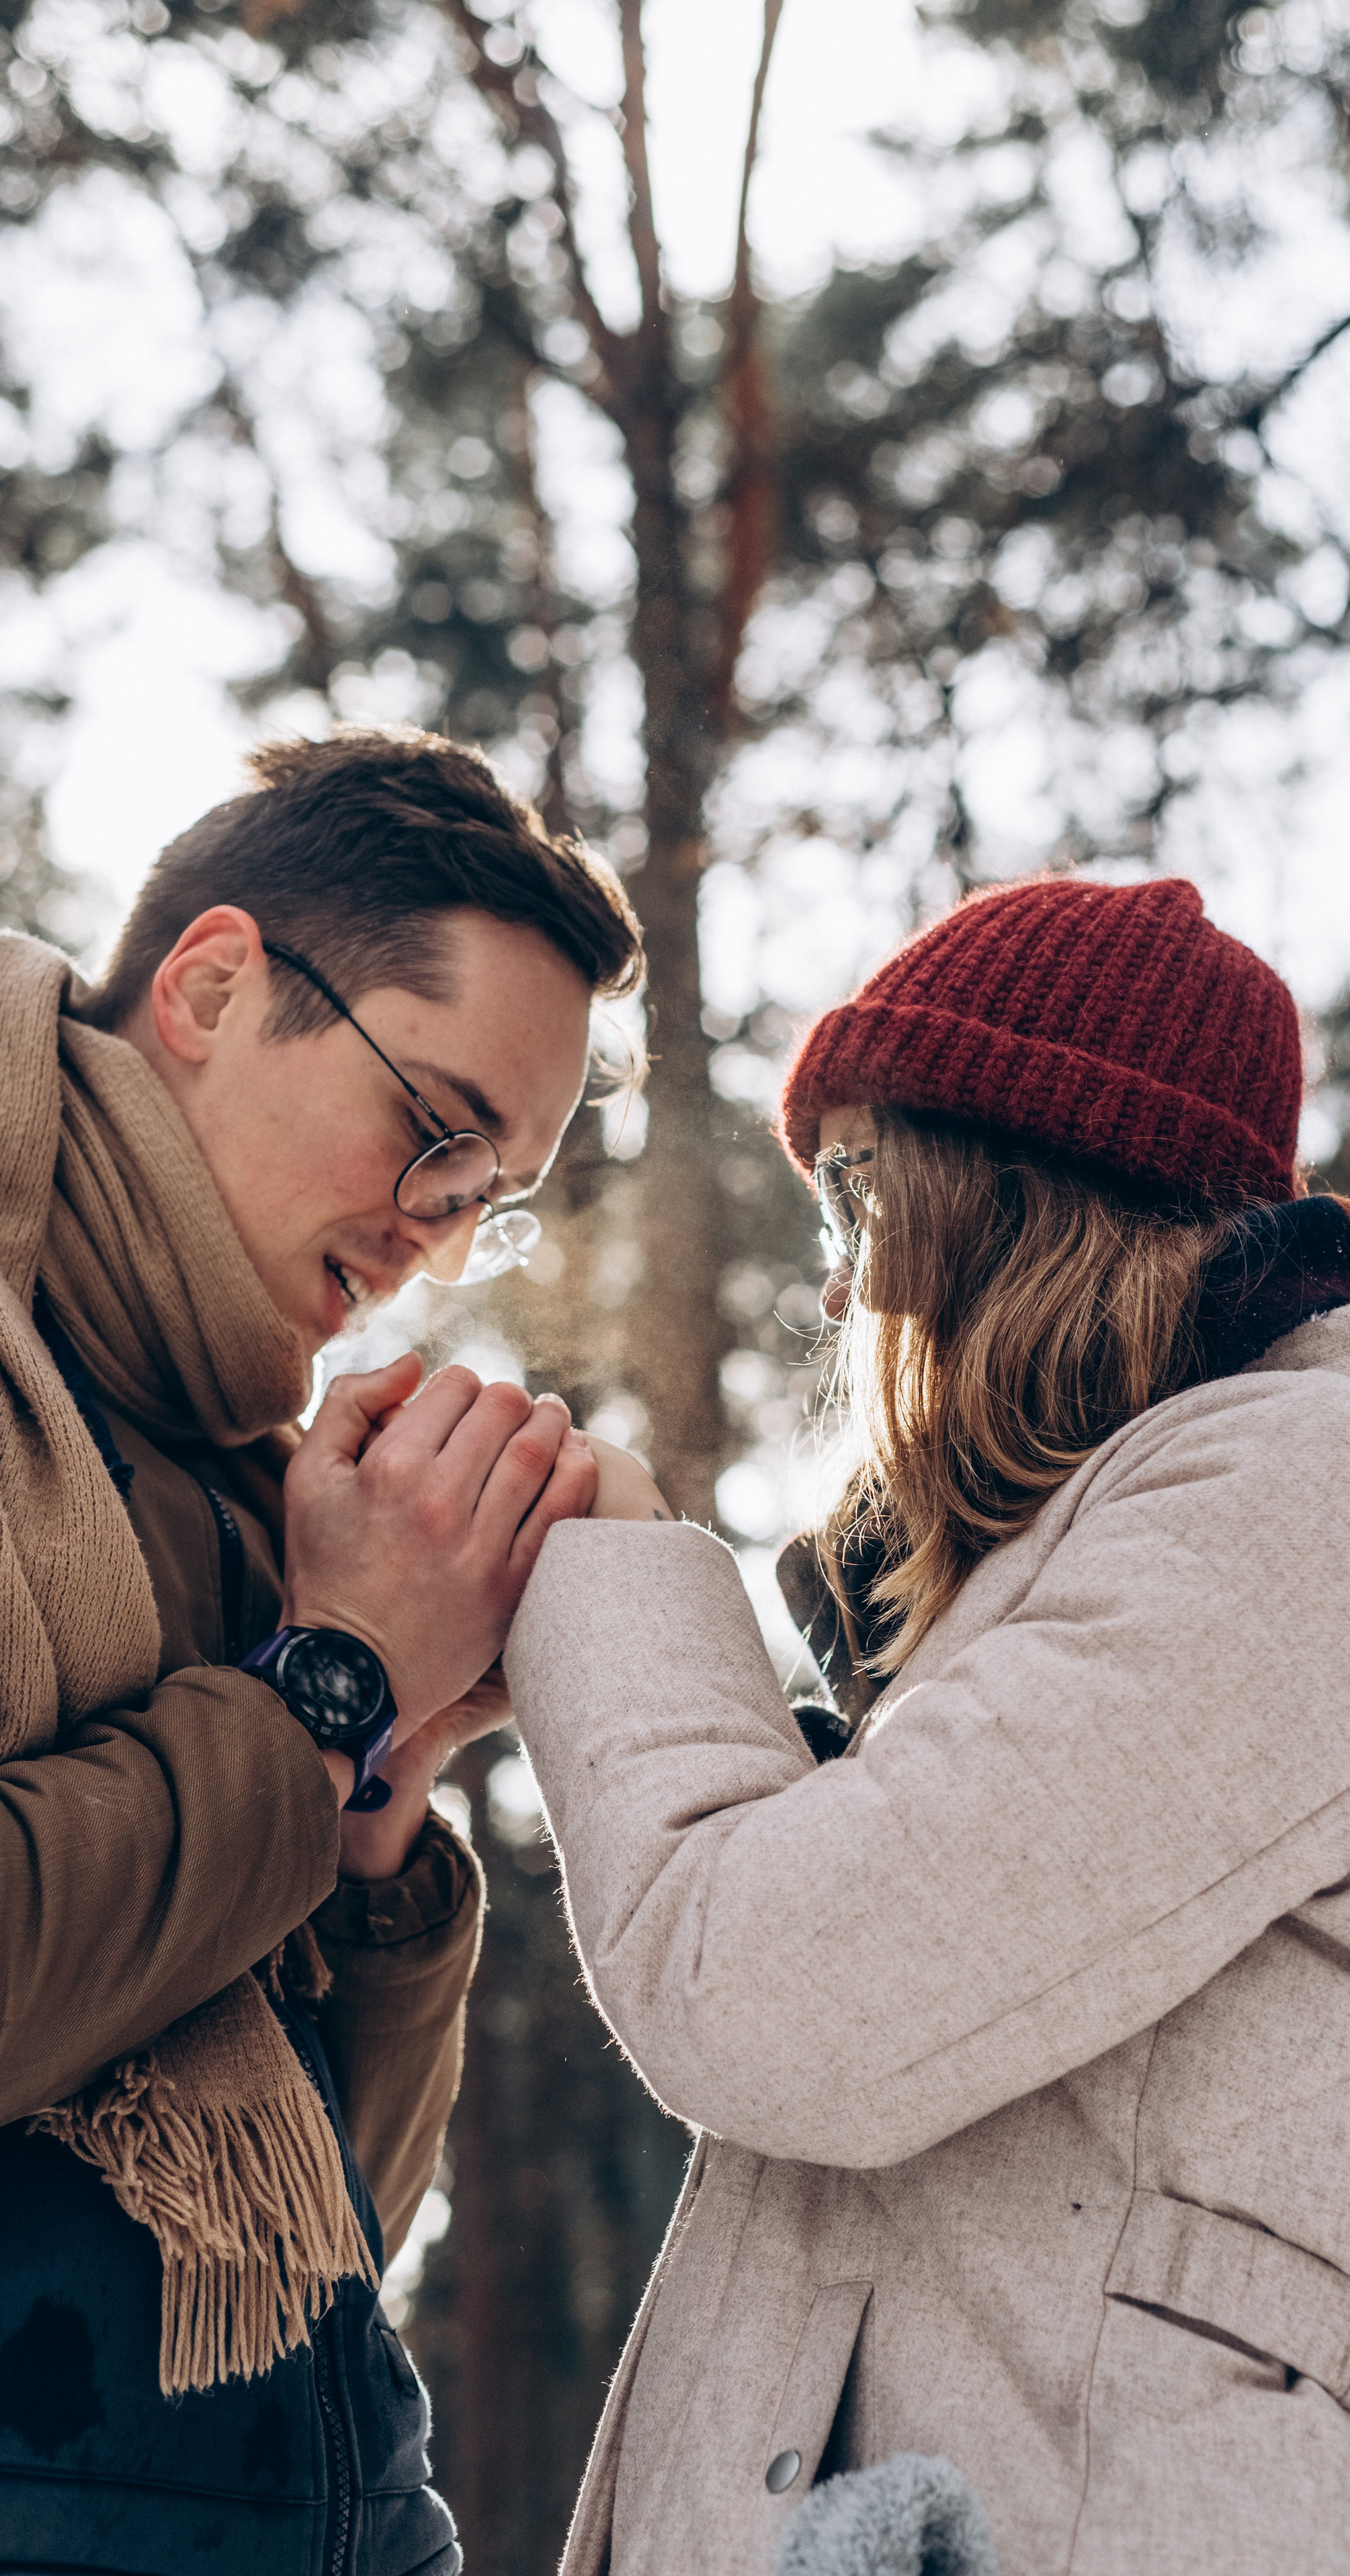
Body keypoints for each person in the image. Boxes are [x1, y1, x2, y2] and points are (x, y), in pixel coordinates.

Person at [490, 875, 1350, 2576]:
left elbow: (772, 1989)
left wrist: (604, 1568)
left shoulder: (1311, 1495)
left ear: (1006, 1182)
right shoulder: (1162, 1548)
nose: (838, 1294)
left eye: (853, 1189)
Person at [0, 728, 638, 2574]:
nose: (438, 1237)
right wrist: (327, 1682)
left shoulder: (260, 1482)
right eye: (435, 1131)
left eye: (487, 1196)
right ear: (213, 988)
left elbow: (330, 2242)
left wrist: (377, 1793)